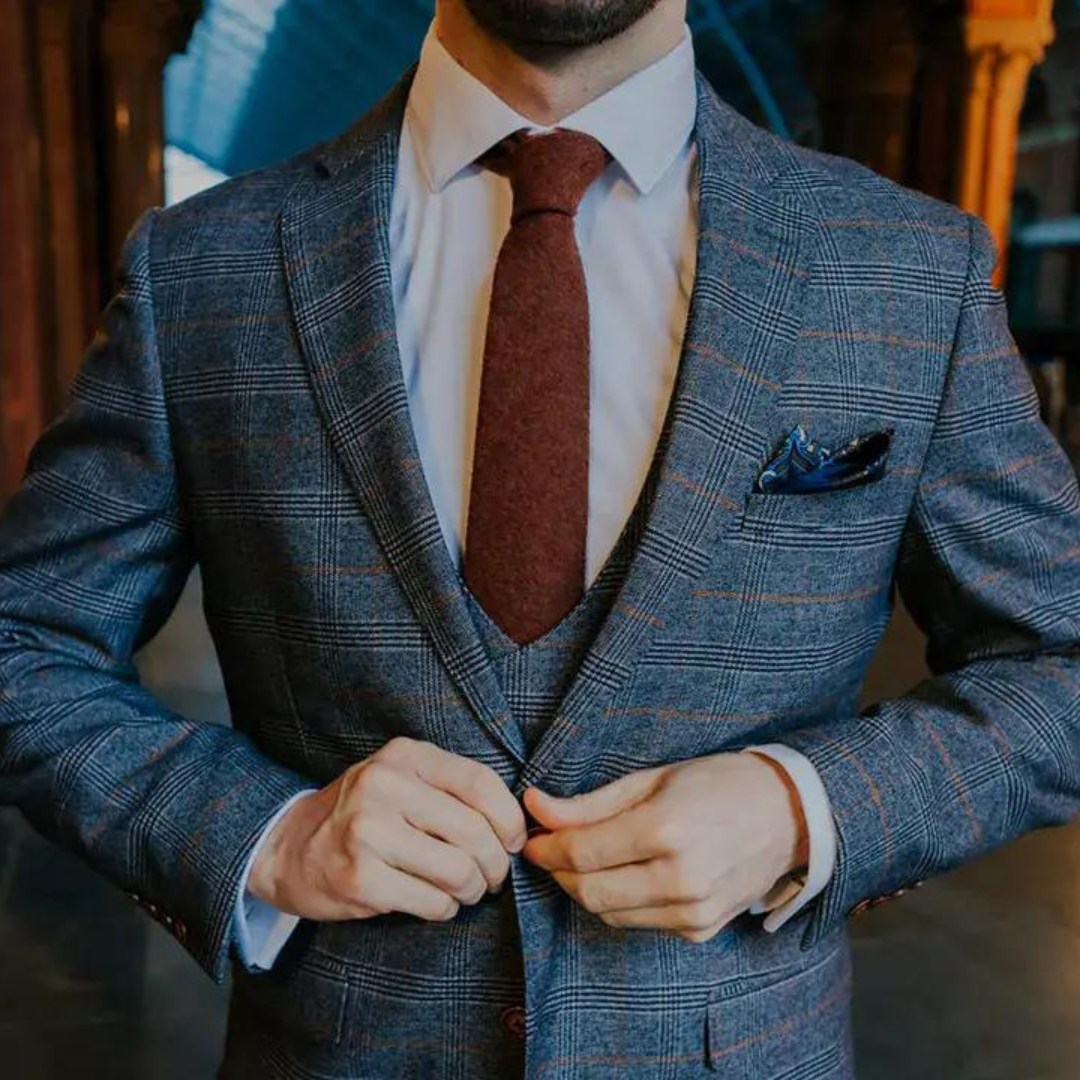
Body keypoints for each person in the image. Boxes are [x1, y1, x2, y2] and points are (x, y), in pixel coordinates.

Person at [1, 1, 1079, 1077]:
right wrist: (268, 835)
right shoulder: (205, 270)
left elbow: (1062, 666)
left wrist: (806, 810)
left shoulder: (908, 272)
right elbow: (24, 649)